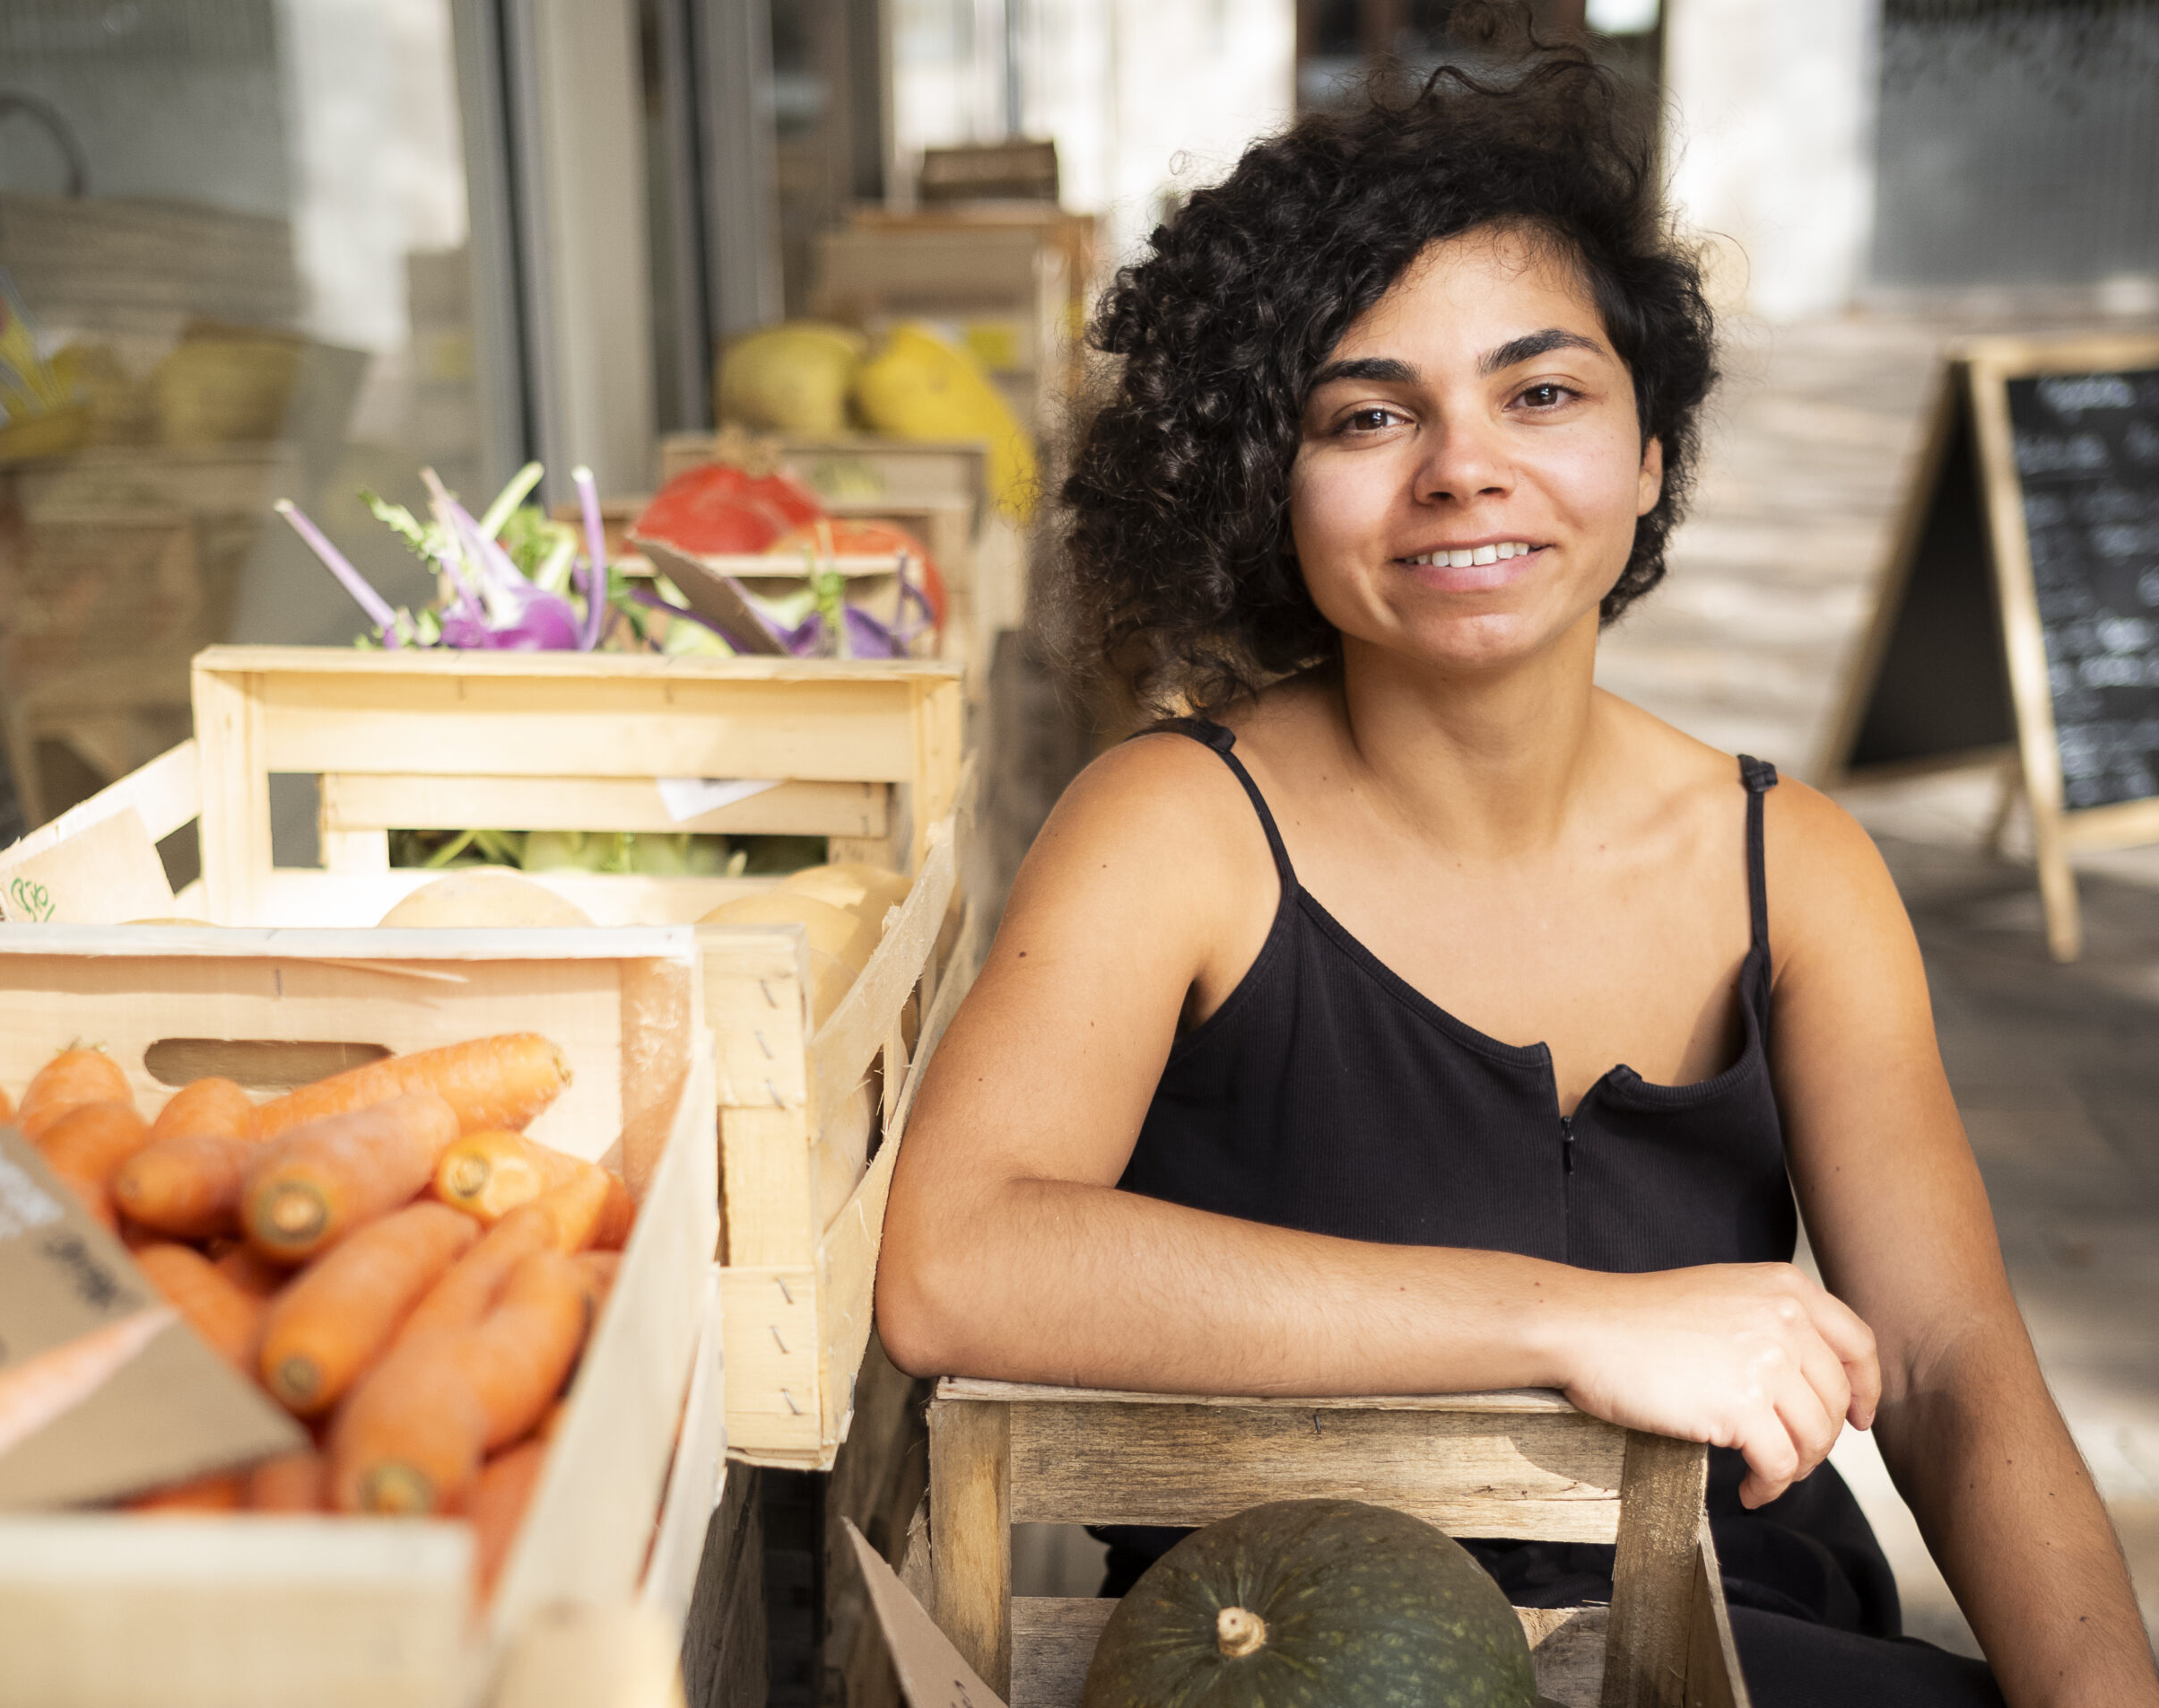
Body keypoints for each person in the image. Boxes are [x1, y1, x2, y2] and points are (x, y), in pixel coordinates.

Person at [872, 34, 2159, 1708]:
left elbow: (1946, 1364)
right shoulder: (1174, 829)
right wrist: (1574, 1321)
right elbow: (955, 1264)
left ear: (1650, 451)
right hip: (1296, 1663)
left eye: (1541, 393)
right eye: (1368, 414)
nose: (1462, 465)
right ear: (1270, 488)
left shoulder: (1795, 867)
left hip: (1745, 1642)